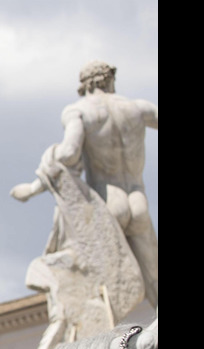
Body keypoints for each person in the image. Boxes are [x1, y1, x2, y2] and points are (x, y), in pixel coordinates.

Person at [11, 60, 158, 308]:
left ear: (85, 85)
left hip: (108, 201)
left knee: (104, 289)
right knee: (154, 280)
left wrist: (33, 187)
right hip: (138, 199)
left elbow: (68, 154)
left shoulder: (78, 111)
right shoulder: (137, 108)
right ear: (110, 80)